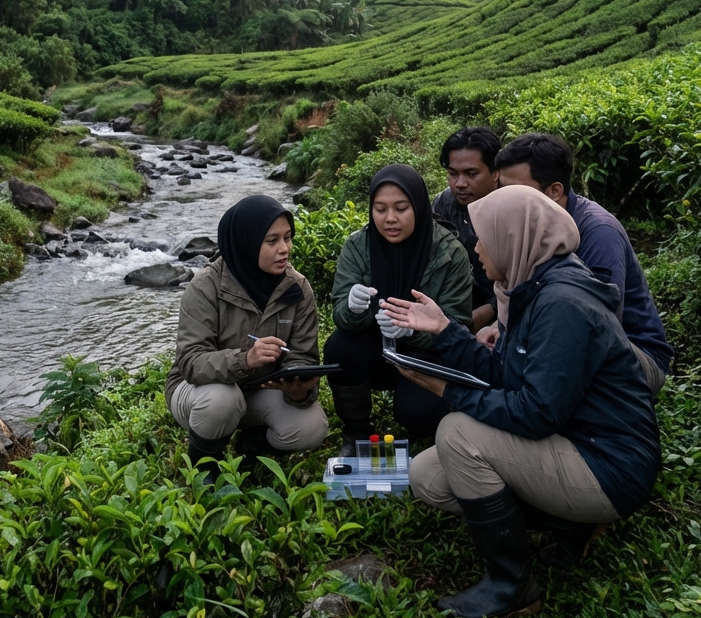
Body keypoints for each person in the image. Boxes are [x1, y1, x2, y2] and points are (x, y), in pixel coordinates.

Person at [383, 186, 660, 618]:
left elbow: (534, 413)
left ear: (515, 236)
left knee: (458, 433)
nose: (477, 246)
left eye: (485, 236)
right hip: (572, 438)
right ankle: (564, 521)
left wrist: (446, 391)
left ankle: (511, 584)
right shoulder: (529, 286)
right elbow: (506, 374)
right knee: (427, 477)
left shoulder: (561, 304)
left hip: (608, 464)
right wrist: (443, 330)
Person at [493, 132, 672, 393]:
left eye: (517, 192)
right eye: (502, 191)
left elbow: (596, 326)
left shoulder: (599, 232)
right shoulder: (533, 227)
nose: (506, 201)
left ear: (555, 191)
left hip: (633, 354)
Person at [165, 195, 328, 478]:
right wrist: (245, 359)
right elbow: (191, 363)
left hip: (260, 392)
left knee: (312, 426)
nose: (284, 249)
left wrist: (298, 386)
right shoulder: (206, 286)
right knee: (222, 398)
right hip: (198, 391)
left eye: (287, 238)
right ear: (246, 242)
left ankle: (251, 448)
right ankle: (205, 471)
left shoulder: (297, 288)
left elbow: (302, 355)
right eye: (272, 241)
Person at [325, 164, 473, 451]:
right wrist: (353, 309)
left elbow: (458, 325)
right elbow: (340, 313)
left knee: (417, 413)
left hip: (426, 353)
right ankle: (355, 431)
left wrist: (411, 330)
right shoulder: (358, 246)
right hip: (373, 345)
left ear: (418, 205)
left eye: (401, 208)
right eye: (380, 209)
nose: (389, 219)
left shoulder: (448, 252)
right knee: (339, 347)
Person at [432, 127, 502, 330]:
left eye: (471, 174)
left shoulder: (512, 209)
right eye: (453, 174)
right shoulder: (444, 203)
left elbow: (530, 278)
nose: (460, 183)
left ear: (495, 172)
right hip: (460, 298)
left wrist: (491, 309)